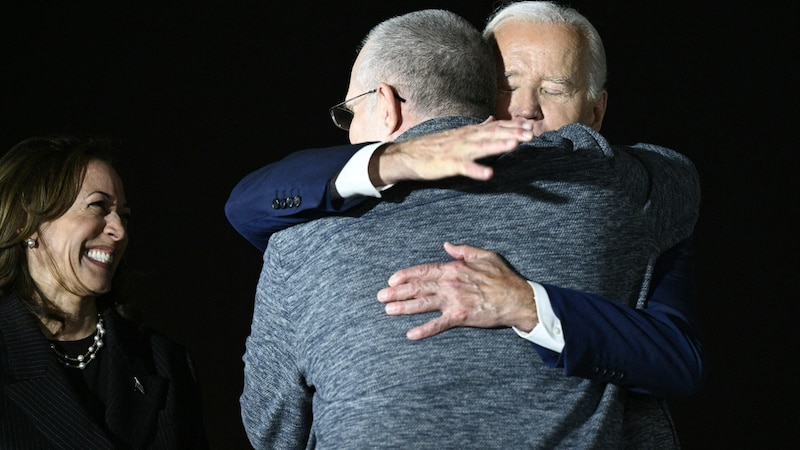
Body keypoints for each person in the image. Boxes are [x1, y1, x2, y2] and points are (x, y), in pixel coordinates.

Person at [241, 8, 699, 449]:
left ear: (595, 113)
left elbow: (676, 359)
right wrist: (399, 159)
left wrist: (528, 304)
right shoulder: (315, 215)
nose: (524, 110)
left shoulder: (621, 190)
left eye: (555, 89)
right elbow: (249, 202)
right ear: (475, 87)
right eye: (506, 85)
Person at [0, 136, 209, 449]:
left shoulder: (164, 361)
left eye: (123, 215)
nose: (119, 230)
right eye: (98, 206)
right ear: (27, 224)